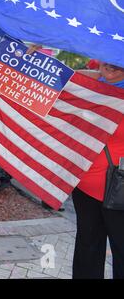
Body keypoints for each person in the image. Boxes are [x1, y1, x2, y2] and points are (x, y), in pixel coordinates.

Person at [72, 61, 124, 279]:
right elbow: (60, 75)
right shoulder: (92, 82)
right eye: (106, 64)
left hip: (118, 190)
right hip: (85, 186)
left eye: (116, 66)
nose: (108, 69)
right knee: (87, 247)